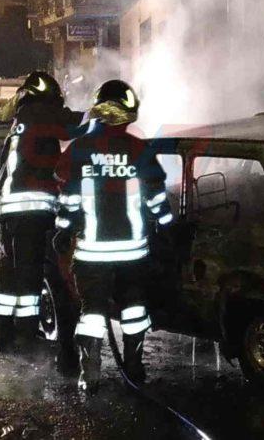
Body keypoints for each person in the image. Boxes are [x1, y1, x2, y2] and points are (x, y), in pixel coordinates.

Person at [53, 80, 173, 392]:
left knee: (92, 311)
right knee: (134, 307)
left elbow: (68, 199)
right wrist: (169, 227)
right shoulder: (139, 150)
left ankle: (90, 373)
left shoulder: (80, 151)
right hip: (134, 254)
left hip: (93, 255)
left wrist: (63, 231)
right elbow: (157, 199)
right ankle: (134, 367)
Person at [0, 72, 82, 367]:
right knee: (31, 273)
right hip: (30, 209)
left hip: (9, 209)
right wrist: (102, 115)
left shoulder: (21, 118)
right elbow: (69, 127)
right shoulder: (37, 112)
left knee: (12, 272)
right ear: (47, 97)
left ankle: (2, 333)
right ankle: (26, 336)